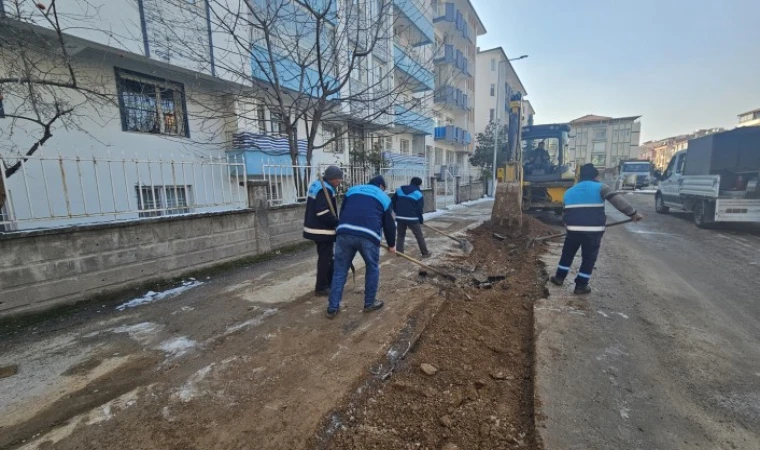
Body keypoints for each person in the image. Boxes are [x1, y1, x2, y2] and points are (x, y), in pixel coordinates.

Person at [550, 163, 644, 294]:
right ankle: (581, 286)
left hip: (572, 230)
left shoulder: (569, 192)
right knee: (589, 258)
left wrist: (568, 226)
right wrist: (633, 213)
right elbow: (618, 202)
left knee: (567, 254)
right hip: (592, 231)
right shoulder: (601, 188)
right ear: (595, 176)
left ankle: (559, 278)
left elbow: (564, 213)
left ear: (580, 176)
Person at [327, 175, 396, 319]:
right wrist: (391, 244)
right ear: (381, 186)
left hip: (344, 232)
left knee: (339, 271)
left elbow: (344, 210)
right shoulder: (384, 197)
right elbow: (389, 224)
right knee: (372, 267)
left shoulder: (352, 190)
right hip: (369, 235)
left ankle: (332, 307)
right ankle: (369, 303)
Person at [303, 166, 343, 296]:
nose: (340, 182)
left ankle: (329, 282)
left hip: (315, 228)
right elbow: (322, 212)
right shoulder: (324, 189)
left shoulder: (318, 185)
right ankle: (321, 288)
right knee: (325, 259)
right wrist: (337, 223)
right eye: (339, 179)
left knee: (327, 257)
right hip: (321, 230)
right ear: (333, 179)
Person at [392, 177, 431, 258]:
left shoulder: (400, 190)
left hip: (400, 217)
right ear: (419, 184)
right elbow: (419, 208)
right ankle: (425, 253)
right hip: (412, 218)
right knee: (419, 235)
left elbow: (393, 201)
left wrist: (397, 211)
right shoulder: (418, 194)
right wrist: (420, 219)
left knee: (400, 235)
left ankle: (399, 253)